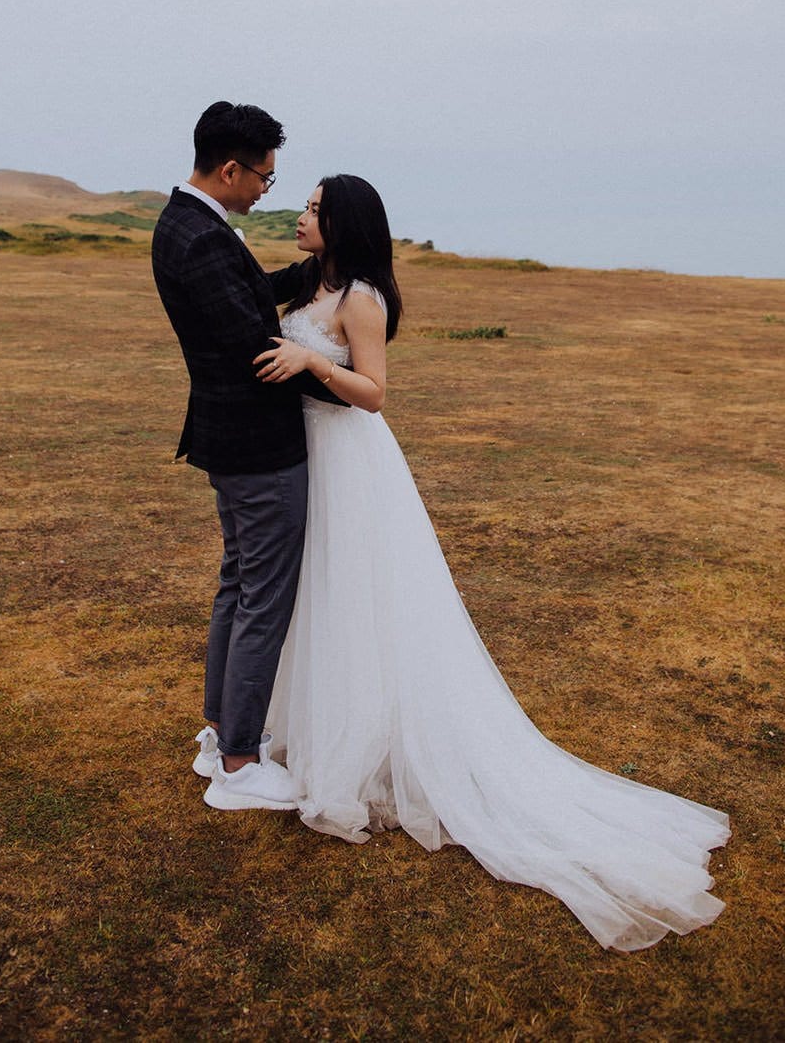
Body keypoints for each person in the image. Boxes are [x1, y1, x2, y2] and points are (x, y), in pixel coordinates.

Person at [244, 173, 730, 952]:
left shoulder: (361, 298)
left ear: (345, 222)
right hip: (306, 456)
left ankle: (369, 744)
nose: (300, 217)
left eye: (313, 209)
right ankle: (318, 726)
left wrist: (311, 364)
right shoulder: (308, 282)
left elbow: (374, 393)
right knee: (320, 597)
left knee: (361, 596)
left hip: (349, 458)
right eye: (302, 205)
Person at [150, 102, 345, 813]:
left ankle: (219, 734)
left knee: (237, 585)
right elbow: (254, 349)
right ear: (230, 169)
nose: (267, 190)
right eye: (264, 176)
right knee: (263, 597)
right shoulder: (203, 239)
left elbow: (245, 299)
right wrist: (340, 383)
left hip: (227, 439)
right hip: (258, 446)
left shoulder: (185, 223)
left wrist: (311, 272)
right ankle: (238, 763)